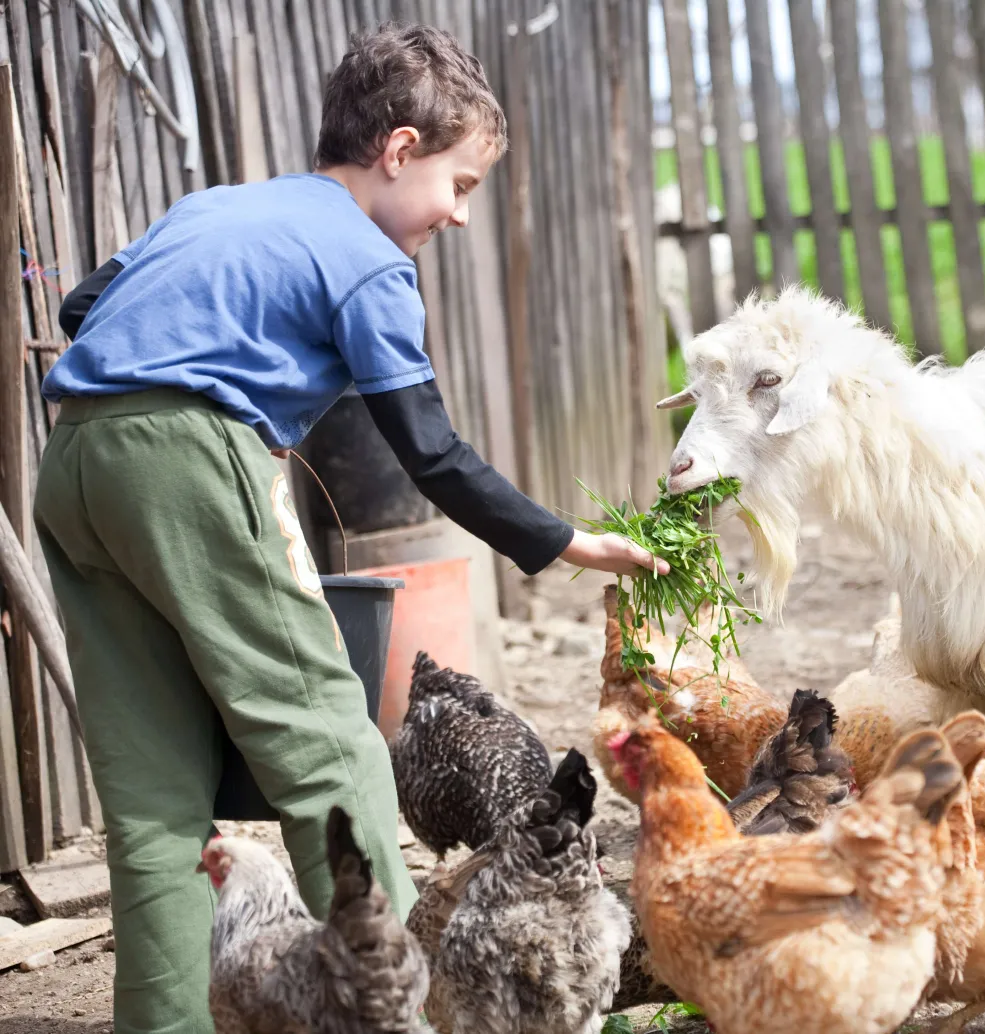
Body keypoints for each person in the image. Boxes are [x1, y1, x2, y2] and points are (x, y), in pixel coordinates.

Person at [34, 23, 666, 1034]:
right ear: (399, 150)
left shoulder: (216, 206)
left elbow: (83, 303)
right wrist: (564, 541)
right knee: (329, 742)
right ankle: (408, 1013)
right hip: (189, 458)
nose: (458, 217)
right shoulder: (367, 260)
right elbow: (431, 450)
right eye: (458, 186)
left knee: (154, 793)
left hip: (74, 462)